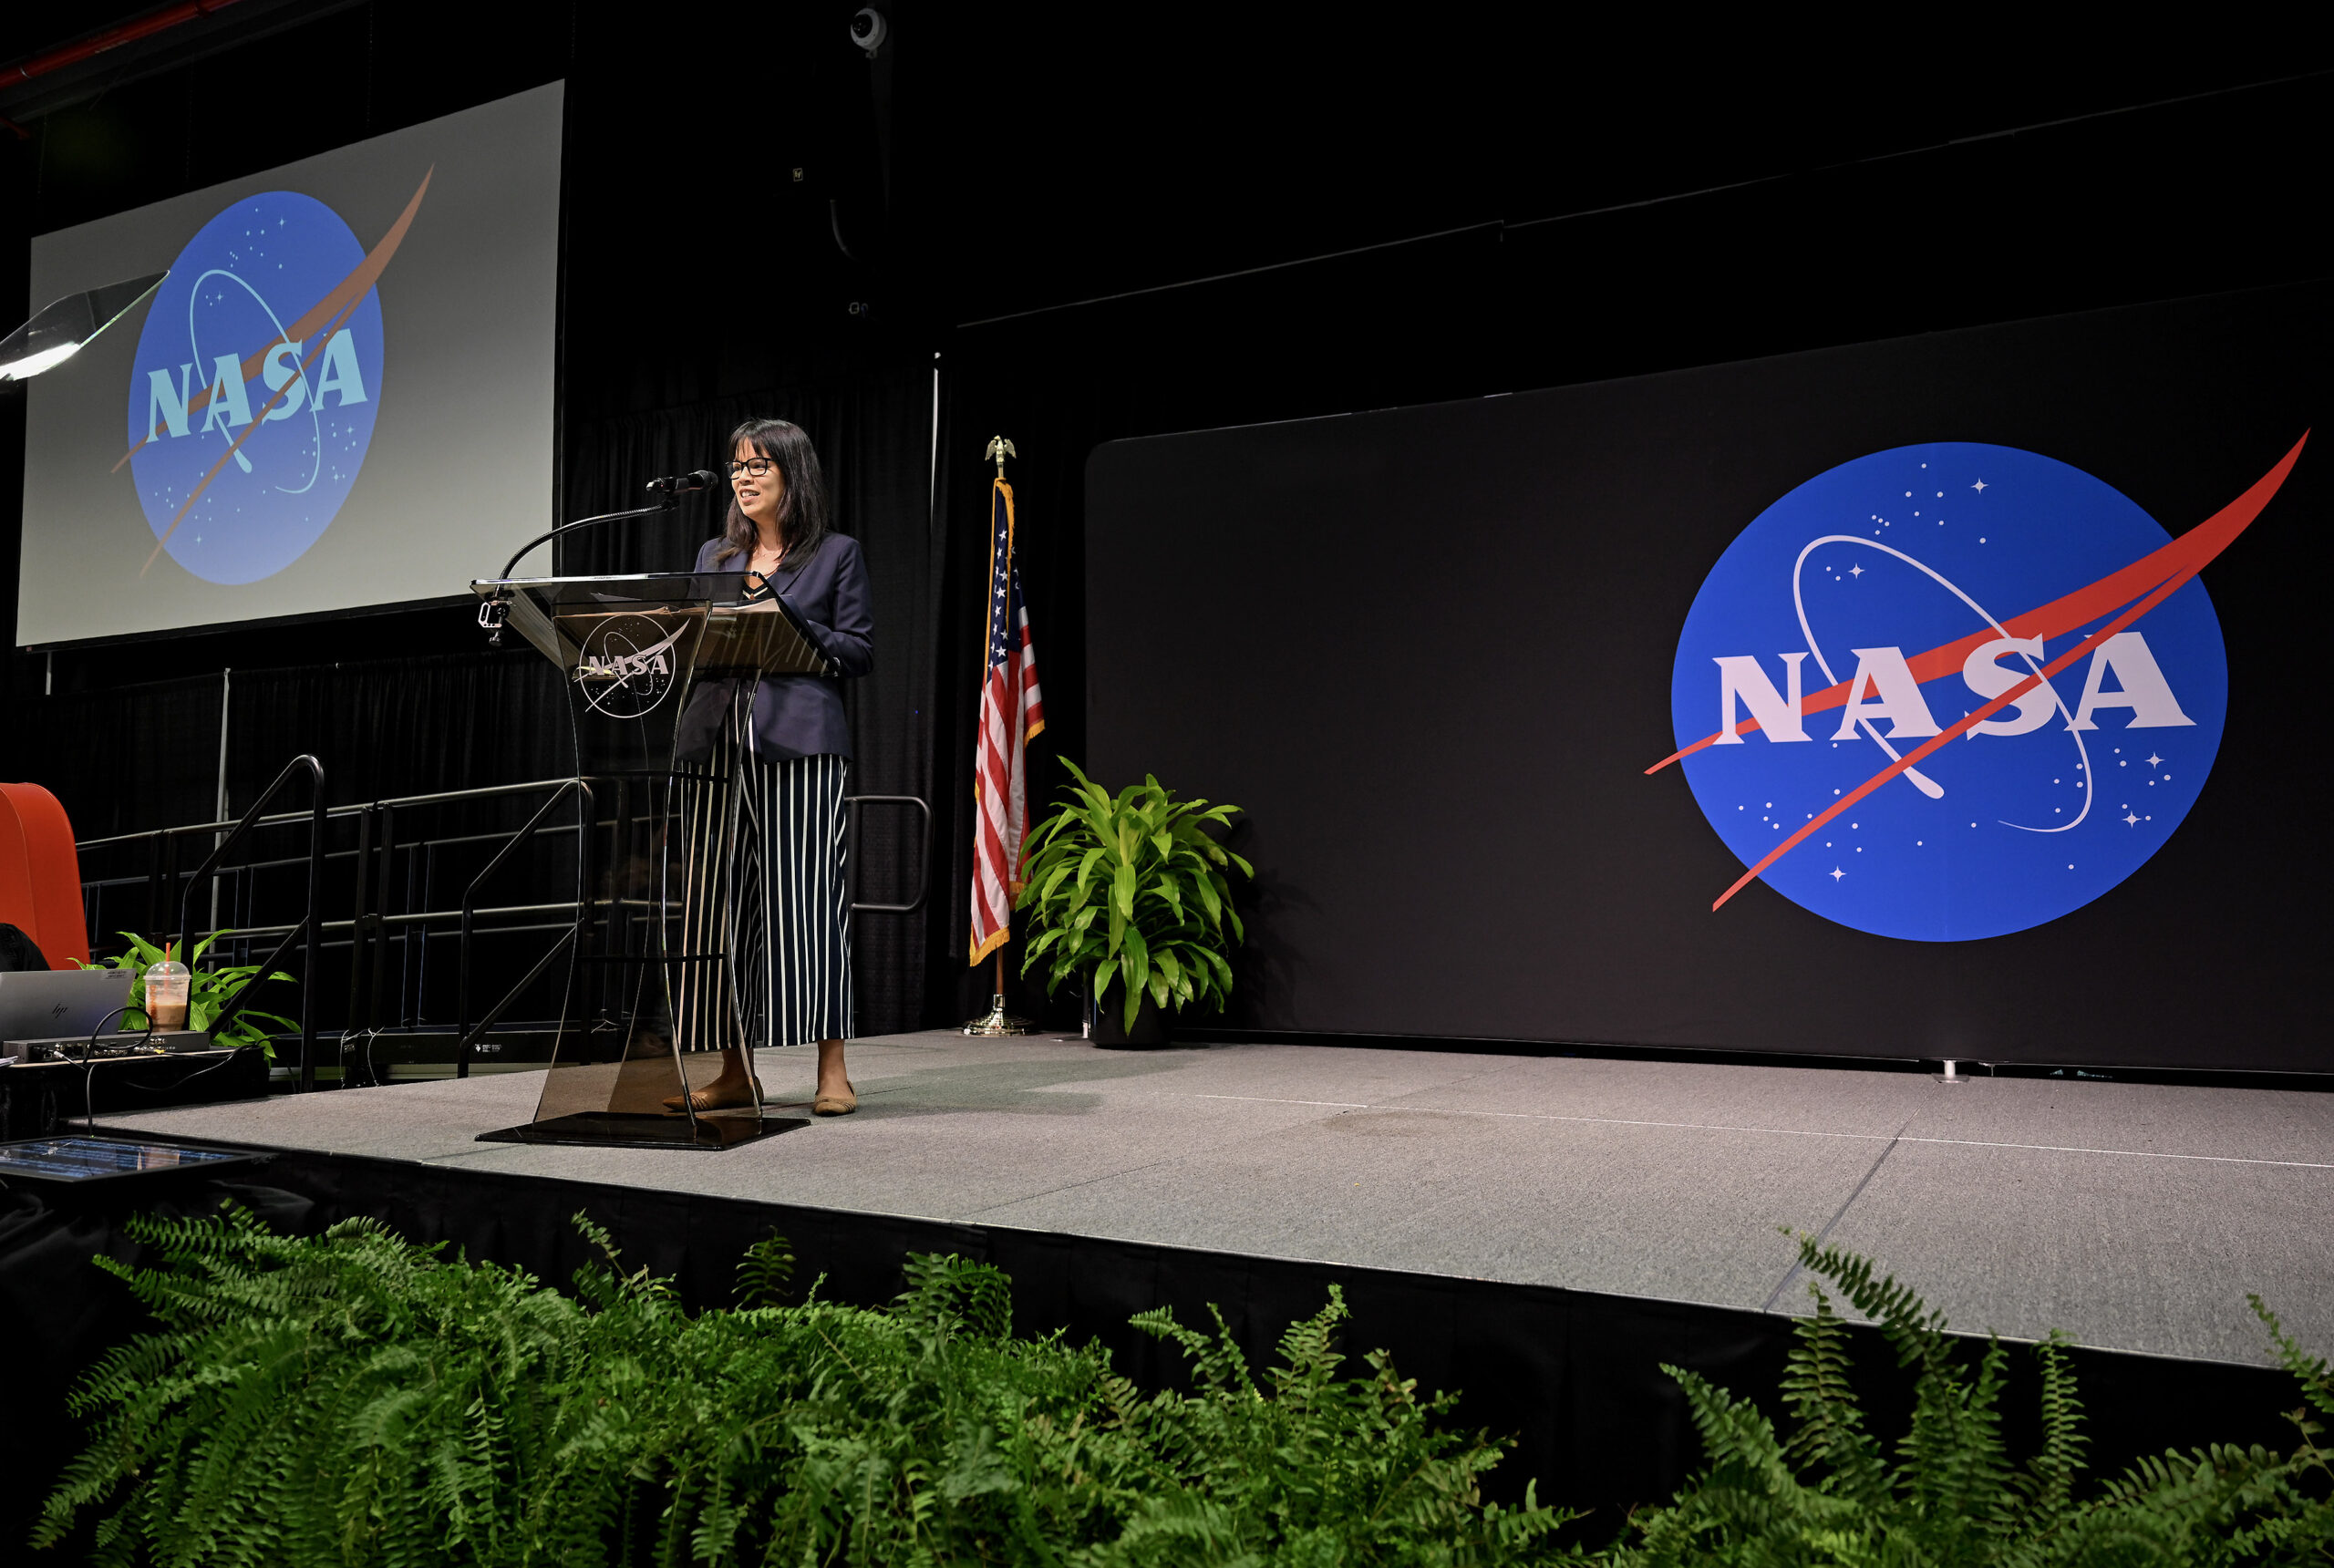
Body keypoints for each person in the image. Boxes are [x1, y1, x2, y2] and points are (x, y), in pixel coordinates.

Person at [667, 418, 873, 1116]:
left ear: (793, 474)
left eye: (760, 465)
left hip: (801, 747)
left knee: (809, 907)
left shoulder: (836, 555)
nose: (744, 477)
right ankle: (733, 1069)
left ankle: (832, 1072)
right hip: (717, 747)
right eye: (737, 467)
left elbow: (858, 650)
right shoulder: (716, 555)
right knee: (717, 912)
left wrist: (784, 617)